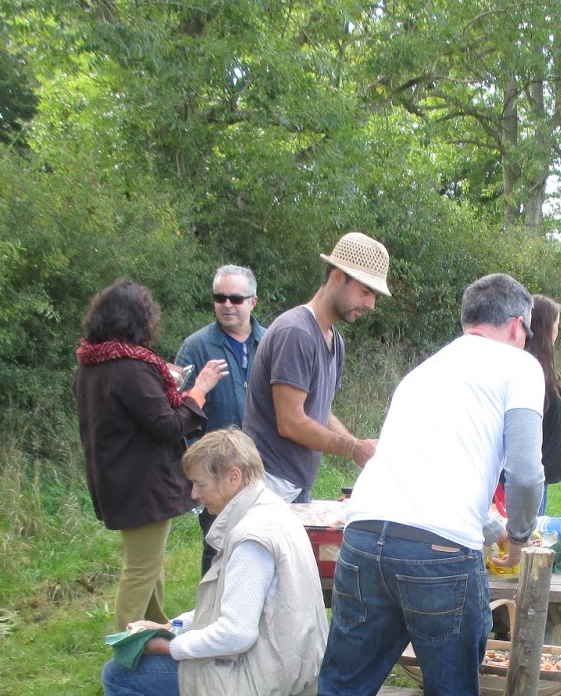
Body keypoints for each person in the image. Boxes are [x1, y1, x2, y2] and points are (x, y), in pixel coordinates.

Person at [261, 273, 545, 696]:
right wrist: (522, 535)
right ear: (518, 325)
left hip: (365, 537)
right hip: (438, 554)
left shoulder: (424, 372)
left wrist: (492, 525)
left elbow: (429, 469)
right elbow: (526, 472)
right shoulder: (519, 366)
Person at [98, 429, 329, 696]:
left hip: (268, 678)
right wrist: (171, 626)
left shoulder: (251, 538)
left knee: (121, 676)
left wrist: (168, 647)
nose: (193, 495)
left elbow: (236, 633)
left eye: (200, 484)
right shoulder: (272, 510)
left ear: (233, 476)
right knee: (141, 670)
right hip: (294, 663)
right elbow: (237, 605)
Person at [74, 278, 225, 631]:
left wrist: (165, 385)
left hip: (113, 478)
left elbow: (133, 415)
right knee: (141, 569)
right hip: (141, 483)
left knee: (149, 563)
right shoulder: (131, 367)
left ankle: (157, 627)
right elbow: (169, 425)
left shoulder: (90, 365)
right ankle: (124, 647)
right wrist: (199, 391)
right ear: (140, 319)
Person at [241, 233, 387, 503]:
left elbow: (321, 413)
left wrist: (362, 451)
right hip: (267, 485)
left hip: (296, 486)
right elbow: (291, 422)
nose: (371, 304)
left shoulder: (335, 340)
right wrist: (353, 448)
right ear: (337, 277)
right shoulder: (296, 332)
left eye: (374, 295)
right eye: (365, 291)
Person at [175, 264, 266, 573]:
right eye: (219, 297)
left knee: (262, 546)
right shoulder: (195, 347)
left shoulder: (271, 341)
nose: (227, 305)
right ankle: (211, 603)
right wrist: (197, 465)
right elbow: (178, 411)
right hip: (216, 472)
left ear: (253, 301)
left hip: (264, 468)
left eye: (236, 299)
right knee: (217, 550)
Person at [528, 295, 561, 515]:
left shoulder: (540, 368)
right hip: (531, 479)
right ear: (546, 328)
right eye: (557, 324)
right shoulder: (530, 371)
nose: (558, 331)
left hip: (539, 475)